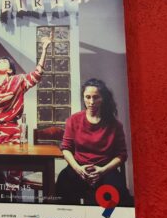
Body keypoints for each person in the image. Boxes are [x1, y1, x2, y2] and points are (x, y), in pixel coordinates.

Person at [56, 78, 132, 206]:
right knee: (63, 184)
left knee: (117, 194)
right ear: (83, 97)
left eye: (96, 97)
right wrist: (78, 169)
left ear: (103, 99)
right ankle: (71, 217)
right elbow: (66, 148)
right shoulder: (73, 120)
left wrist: (102, 170)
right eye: (88, 97)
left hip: (105, 170)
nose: (91, 102)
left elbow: (122, 155)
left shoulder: (115, 125)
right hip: (79, 168)